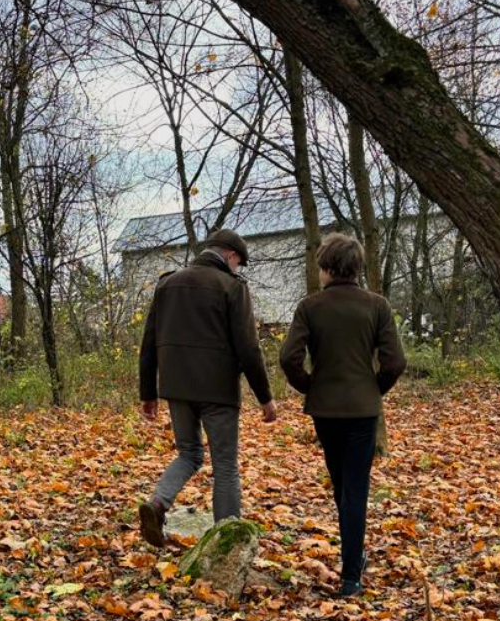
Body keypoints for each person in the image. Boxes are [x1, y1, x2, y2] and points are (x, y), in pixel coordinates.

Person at [279, 233, 406, 597]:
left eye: (320, 265)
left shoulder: (310, 307)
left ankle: (353, 563)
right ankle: (352, 572)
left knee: (343, 485)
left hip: (326, 410)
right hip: (363, 411)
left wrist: (310, 386)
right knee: (355, 487)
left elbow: (289, 358)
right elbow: (395, 361)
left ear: (328, 267)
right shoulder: (377, 305)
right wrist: (373, 388)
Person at [137, 228, 277, 548]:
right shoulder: (232, 286)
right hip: (219, 391)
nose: (238, 269)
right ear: (229, 256)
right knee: (225, 465)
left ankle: (158, 504)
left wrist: (148, 393)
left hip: (177, 389)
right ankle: (227, 543)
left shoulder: (167, 283)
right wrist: (265, 398)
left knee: (189, 453)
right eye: (238, 263)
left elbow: (149, 344)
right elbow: (248, 348)